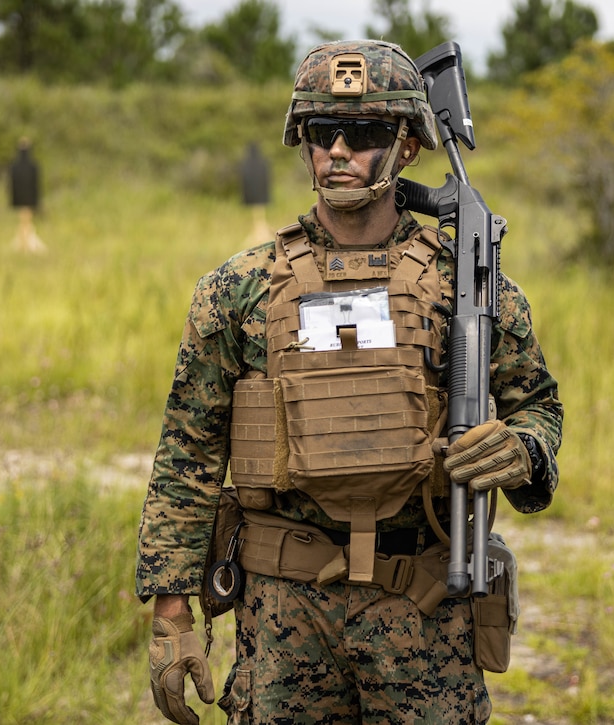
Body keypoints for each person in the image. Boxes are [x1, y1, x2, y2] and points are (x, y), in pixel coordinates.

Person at [136, 39, 563, 724]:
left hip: (422, 615)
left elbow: (538, 407)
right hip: (282, 618)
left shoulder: (468, 285)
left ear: (408, 146)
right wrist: (171, 611)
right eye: (320, 132)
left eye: (362, 133)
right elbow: (186, 457)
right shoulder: (238, 288)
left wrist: (522, 449)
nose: (337, 150)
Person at [9, 138, 45, 253]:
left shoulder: (17, 167)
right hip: (26, 199)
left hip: (25, 199)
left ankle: (25, 242)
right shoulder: (31, 167)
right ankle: (24, 242)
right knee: (25, 221)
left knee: (26, 221)